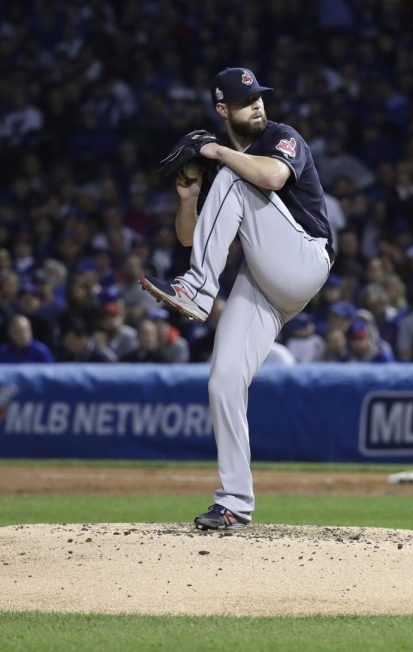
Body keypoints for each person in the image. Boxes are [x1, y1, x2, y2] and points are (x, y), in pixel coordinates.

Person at [139, 68, 334, 531]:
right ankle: (234, 503)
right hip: (264, 280)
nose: (258, 106)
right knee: (224, 380)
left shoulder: (283, 138)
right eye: (247, 102)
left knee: (233, 177)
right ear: (224, 110)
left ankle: (197, 289)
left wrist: (215, 152)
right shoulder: (227, 171)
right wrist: (189, 201)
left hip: (304, 257)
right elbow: (193, 238)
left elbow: (269, 175)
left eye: (260, 98)